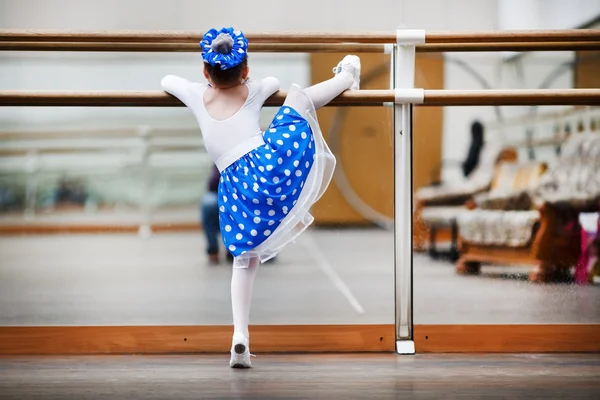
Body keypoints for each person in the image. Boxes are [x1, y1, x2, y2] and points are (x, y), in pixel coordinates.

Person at [161, 26, 360, 368]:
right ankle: (347, 77)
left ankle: (240, 335)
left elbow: (167, 81)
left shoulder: (196, 95)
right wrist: (249, 83)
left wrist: (201, 84)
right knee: (299, 98)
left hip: (237, 189)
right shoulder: (254, 90)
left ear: (206, 71)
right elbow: (273, 83)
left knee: (243, 260)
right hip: (268, 172)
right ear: (246, 69)